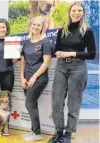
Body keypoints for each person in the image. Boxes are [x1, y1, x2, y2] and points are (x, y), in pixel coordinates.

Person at [48, 2, 96, 143]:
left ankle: (68, 134)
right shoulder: (62, 30)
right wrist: (58, 53)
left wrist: (72, 53)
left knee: (73, 102)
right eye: (73, 10)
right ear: (69, 12)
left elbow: (92, 54)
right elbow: (56, 50)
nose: (76, 13)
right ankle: (58, 132)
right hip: (61, 67)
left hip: (78, 68)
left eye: (79, 10)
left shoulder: (87, 30)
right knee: (56, 101)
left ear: (83, 13)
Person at [20, 16, 53, 141]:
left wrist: (34, 77)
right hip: (27, 78)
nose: (35, 27)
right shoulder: (26, 42)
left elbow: (46, 62)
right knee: (32, 104)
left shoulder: (45, 42)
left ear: (42, 28)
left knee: (29, 104)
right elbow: (22, 61)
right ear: (31, 25)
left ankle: (36, 133)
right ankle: (35, 131)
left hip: (39, 78)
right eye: (34, 24)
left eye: (39, 25)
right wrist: (22, 77)